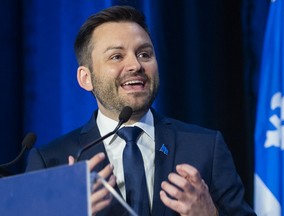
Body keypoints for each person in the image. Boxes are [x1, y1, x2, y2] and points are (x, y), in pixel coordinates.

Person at [25, 5, 256, 216]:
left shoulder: (205, 147)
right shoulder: (51, 162)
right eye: (116, 56)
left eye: (144, 54)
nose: (136, 65)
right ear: (86, 78)